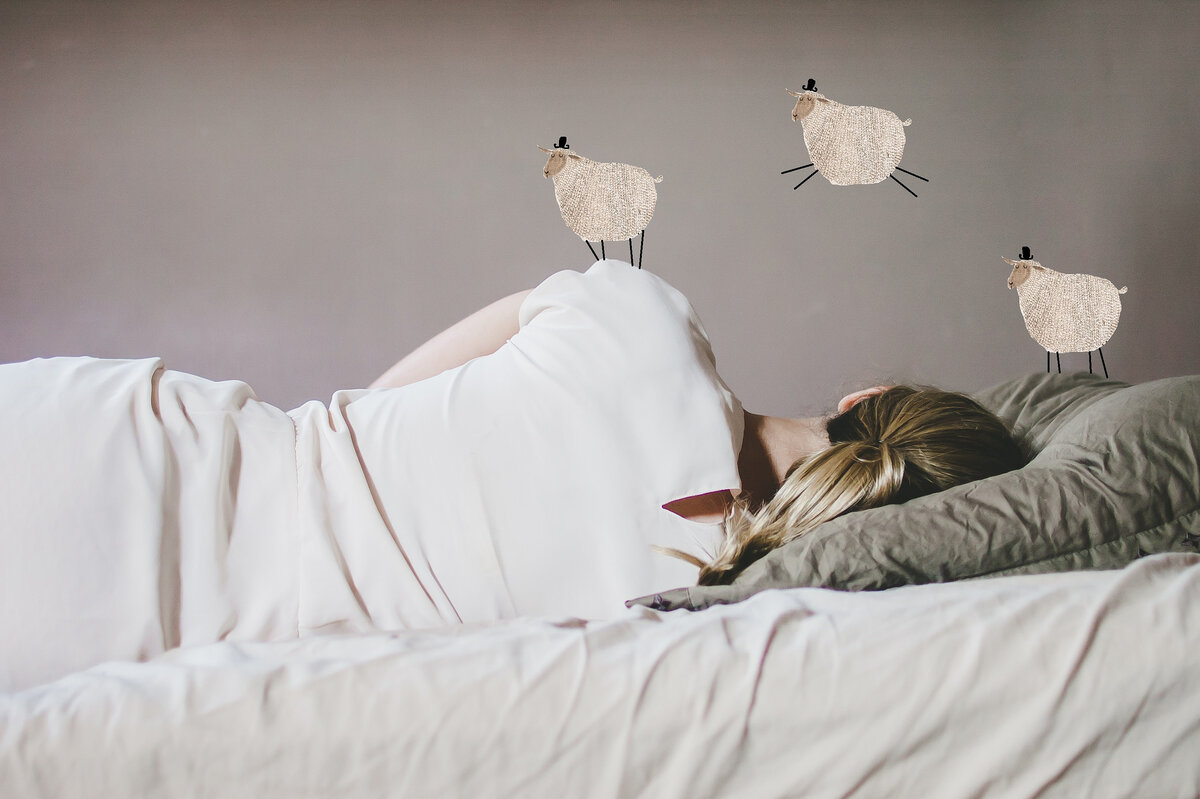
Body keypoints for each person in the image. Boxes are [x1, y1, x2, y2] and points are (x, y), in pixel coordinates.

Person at [0, 259, 1024, 691]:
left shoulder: (636, 311)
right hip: (151, 630)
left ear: (868, 397)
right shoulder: (676, 622)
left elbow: (362, 406)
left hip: (126, 439)